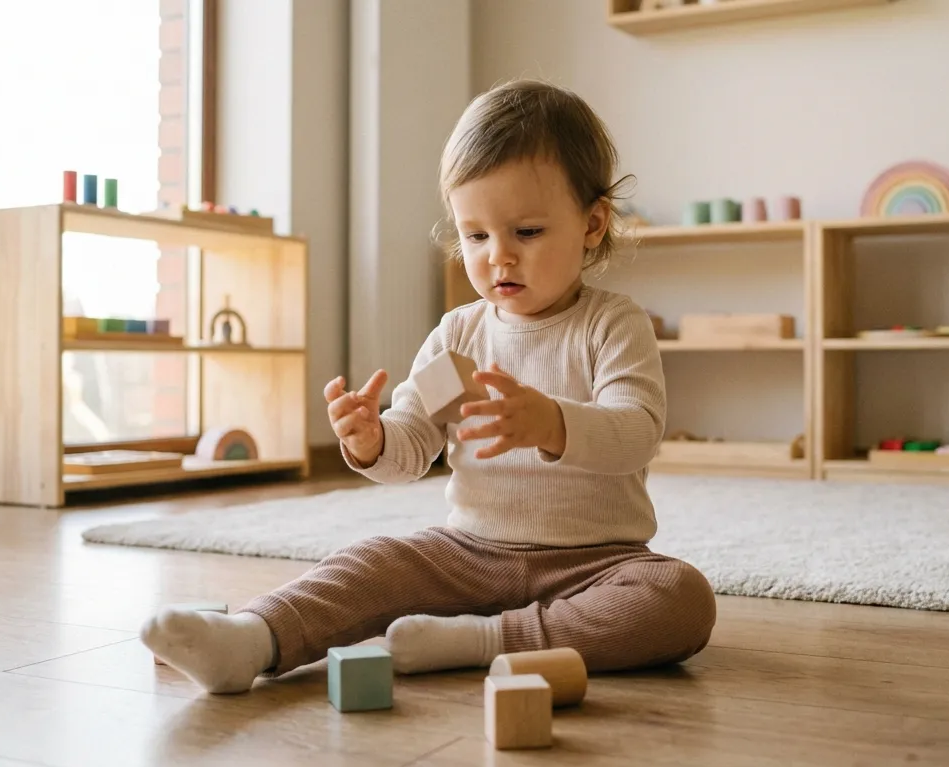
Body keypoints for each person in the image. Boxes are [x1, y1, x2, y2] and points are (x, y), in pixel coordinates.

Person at [140, 79, 717, 694]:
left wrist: (553, 423)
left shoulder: (612, 325)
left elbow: (635, 434)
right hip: (468, 554)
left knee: (680, 598)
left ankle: (482, 641)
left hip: (594, 563)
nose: (499, 257)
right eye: (476, 236)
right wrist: (371, 439)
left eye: (526, 232)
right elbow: (413, 444)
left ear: (593, 224)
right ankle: (253, 639)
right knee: (375, 562)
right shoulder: (460, 337)